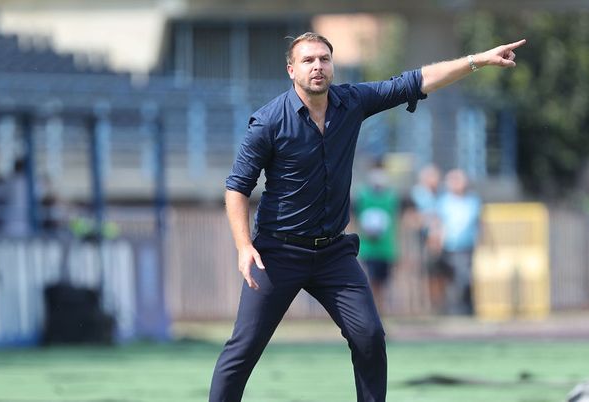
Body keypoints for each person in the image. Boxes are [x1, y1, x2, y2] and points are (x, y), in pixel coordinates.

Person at [210, 32, 526, 402]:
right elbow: (237, 187)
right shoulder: (267, 122)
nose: (317, 67)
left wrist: (479, 61)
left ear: (332, 65)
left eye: (324, 59)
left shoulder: (352, 102)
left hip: (332, 255)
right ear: (291, 70)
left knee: (370, 337)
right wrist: (244, 246)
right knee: (243, 347)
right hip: (278, 253)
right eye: (308, 60)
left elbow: (417, 80)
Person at [432, 169, 482, 315]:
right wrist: (436, 241)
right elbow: (438, 222)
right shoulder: (444, 201)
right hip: (448, 246)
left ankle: (464, 309)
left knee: (464, 278)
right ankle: (452, 309)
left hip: (465, 246)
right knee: (450, 279)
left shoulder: (473, 200)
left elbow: (479, 224)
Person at [353, 160, 400, 312]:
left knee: (383, 284)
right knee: (369, 282)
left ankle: (380, 312)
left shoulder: (391, 196)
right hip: (368, 248)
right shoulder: (362, 195)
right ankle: (368, 311)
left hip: (385, 248)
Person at [409, 164, 447, 312]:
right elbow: (411, 218)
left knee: (439, 274)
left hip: (441, 241)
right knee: (424, 275)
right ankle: (425, 307)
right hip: (421, 241)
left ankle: (439, 306)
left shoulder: (442, 194)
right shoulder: (416, 195)